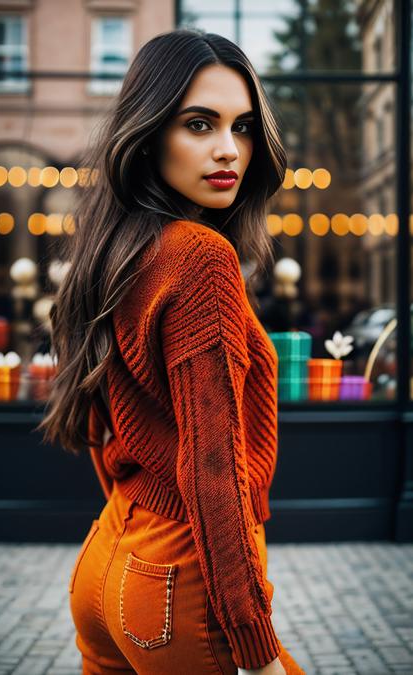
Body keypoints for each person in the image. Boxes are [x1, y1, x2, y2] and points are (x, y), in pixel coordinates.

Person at [38, 28, 306, 675]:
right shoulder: (200, 258)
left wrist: (133, 530)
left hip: (110, 554)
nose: (228, 150)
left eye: (242, 127)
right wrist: (255, 642)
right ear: (149, 130)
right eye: (198, 123)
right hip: (178, 579)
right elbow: (211, 467)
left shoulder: (120, 245)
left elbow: (105, 423)